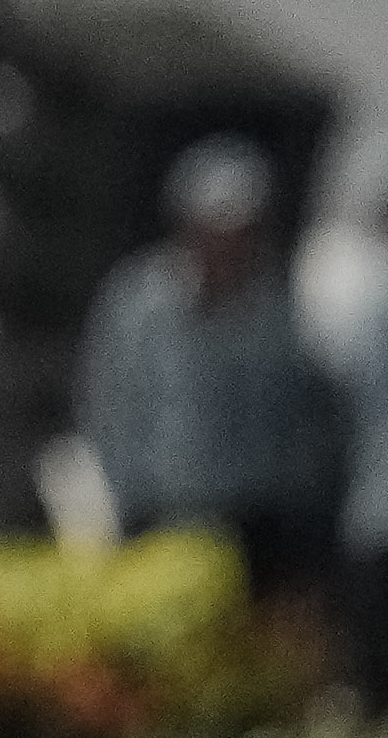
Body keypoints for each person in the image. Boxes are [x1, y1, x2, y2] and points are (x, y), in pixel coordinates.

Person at [77, 133, 343, 600]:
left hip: (252, 523)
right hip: (155, 515)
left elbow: (304, 419)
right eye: (214, 229)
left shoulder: (281, 309)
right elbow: (107, 402)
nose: (227, 245)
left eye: (242, 230)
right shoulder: (140, 300)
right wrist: (114, 505)